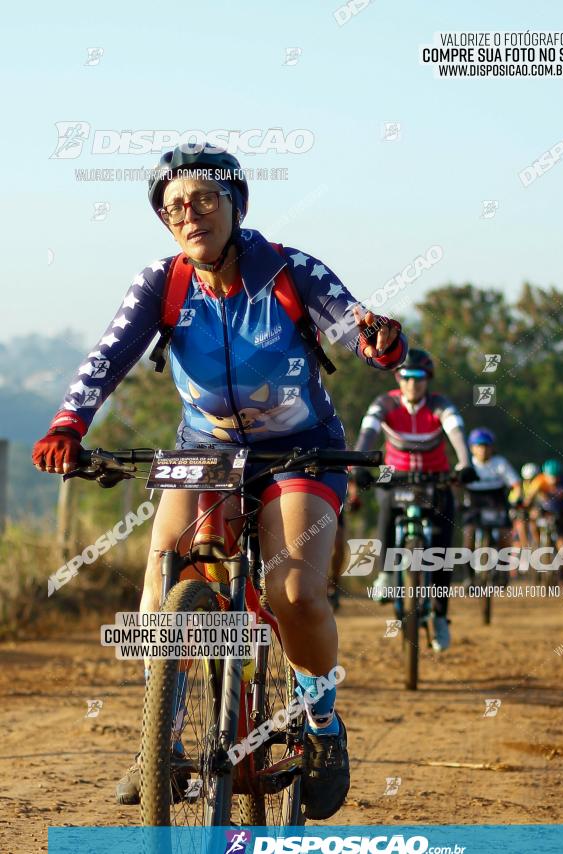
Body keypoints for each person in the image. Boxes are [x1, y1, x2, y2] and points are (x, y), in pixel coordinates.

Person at [31, 143, 407, 820]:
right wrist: (67, 423)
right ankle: (162, 741)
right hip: (205, 446)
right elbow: (107, 357)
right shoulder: (162, 283)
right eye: (173, 205)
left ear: (236, 204)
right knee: (160, 584)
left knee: (293, 593)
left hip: (301, 449)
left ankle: (321, 724)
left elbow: (354, 328)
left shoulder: (291, 270)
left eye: (204, 197)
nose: (189, 213)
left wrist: (379, 343)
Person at [347, 348, 474, 652]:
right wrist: (359, 466)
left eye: (419, 378)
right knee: (387, 511)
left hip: (436, 477)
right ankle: (386, 574)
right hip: (397, 476)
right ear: (397, 378)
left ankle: (441, 616)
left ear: (427, 381)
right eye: (406, 377)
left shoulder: (439, 405)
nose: (412, 384)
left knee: (443, 545)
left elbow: (456, 430)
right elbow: (368, 434)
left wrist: (465, 463)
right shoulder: (385, 403)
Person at [462, 428, 521, 567]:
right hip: (474, 507)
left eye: (486, 446)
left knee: (504, 536)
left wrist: (515, 500)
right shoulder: (467, 465)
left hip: (497, 505)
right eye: (479, 446)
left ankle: (503, 568)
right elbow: (456, 485)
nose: (483, 450)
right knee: (467, 541)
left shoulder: (500, 463)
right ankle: (468, 576)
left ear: (492, 447)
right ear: (471, 448)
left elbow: (516, 485)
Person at [523, 459, 563, 574]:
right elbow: (529, 497)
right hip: (542, 510)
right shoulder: (539, 480)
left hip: (560, 511)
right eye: (550, 476)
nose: (553, 480)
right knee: (532, 520)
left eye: (556, 476)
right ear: (545, 474)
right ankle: (537, 543)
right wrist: (525, 508)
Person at [509, 462, 539, 548]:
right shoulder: (520, 487)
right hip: (521, 513)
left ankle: (539, 545)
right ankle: (525, 546)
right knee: (520, 524)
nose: (531, 481)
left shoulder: (541, 485)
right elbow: (512, 501)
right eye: (528, 479)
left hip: (535, 513)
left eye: (533, 479)